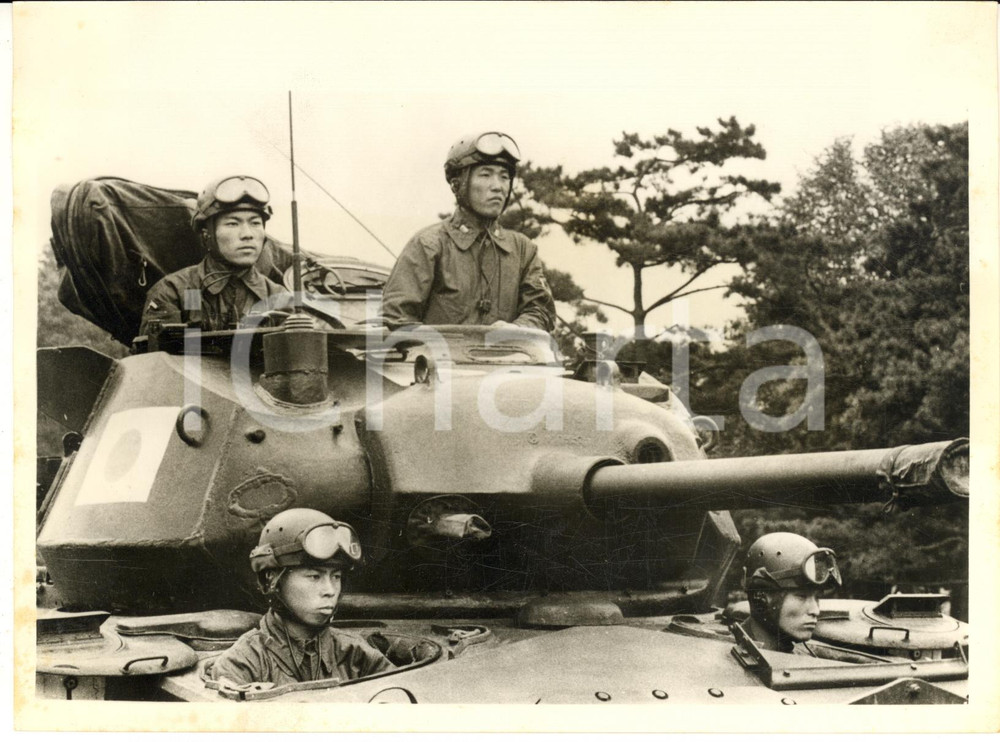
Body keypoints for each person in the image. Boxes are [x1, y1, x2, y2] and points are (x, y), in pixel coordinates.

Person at [380, 132, 556, 331]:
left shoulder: (523, 250)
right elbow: (396, 319)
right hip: (439, 361)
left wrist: (517, 330)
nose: (497, 186)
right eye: (485, 174)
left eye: (504, 177)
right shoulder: (429, 244)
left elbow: (541, 311)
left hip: (509, 359)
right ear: (459, 184)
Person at [210, 508, 393, 687]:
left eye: (336, 577)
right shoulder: (242, 664)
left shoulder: (357, 655)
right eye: (314, 576)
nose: (330, 590)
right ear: (273, 579)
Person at [138, 175, 292, 336]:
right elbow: (157, 358)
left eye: (255, 223)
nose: (247, 234)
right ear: (207, 235)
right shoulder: (174, 291)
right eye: (232, 223)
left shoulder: (279, 298)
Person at [739, 532, 842, 654]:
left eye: (817, 597)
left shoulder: (802, 656)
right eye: (802, 597)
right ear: (761, 597)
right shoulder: (722, 660)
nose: (815, 611)